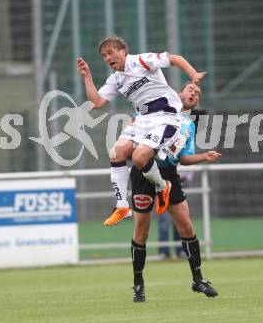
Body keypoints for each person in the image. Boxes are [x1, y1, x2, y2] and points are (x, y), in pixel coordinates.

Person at [77, 35, 206, 227]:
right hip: (143, 119)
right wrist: (87, 77)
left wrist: (193, 74)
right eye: (104, 55)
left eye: (110, 52)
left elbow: (175, 59)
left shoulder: (142, 61)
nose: (107, 57)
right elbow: (97, 102)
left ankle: (163, 187)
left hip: (165, 116)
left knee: (139, 158)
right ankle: (122, 206)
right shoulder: (116, 80)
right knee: (116, 152)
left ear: (123, 51)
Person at [130, 82, 221, 302]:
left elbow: (182, 157)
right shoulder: (155, 108)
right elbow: (132, 132)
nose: (195, 93)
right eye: (191, 89)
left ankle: (197, 280)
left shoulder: (188, 126)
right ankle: (138, 283)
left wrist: (203, 156)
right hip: (144, 174)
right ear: (179, 93)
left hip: (169, 175)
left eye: (198, 93)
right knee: (142, 231)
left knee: (186, 226)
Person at [158, 171, 193, 259]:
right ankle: (164, 252)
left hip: (179, 182)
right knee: (164, 221)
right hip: (162, 182)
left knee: (180, 221)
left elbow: (188, 164)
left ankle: (181, 250)